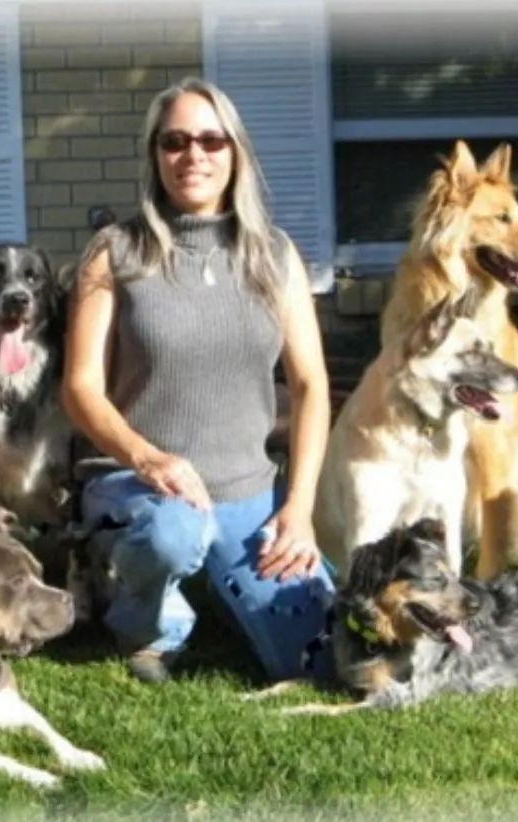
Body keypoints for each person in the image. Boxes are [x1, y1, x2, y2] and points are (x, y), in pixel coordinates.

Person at [61, 77, 335, 684]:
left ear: (235, 152)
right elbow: (79, 388)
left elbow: (312, 386)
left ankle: (207, 577)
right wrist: (147, 457)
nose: (194, 156)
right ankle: (152, 623)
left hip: (246, 487)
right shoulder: (114, 252)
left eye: (212, 141)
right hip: (139, 485)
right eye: (175, 141)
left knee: (316, 655)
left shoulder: (274, 255)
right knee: (170, 532)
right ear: (154, 154)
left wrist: (298, 509)